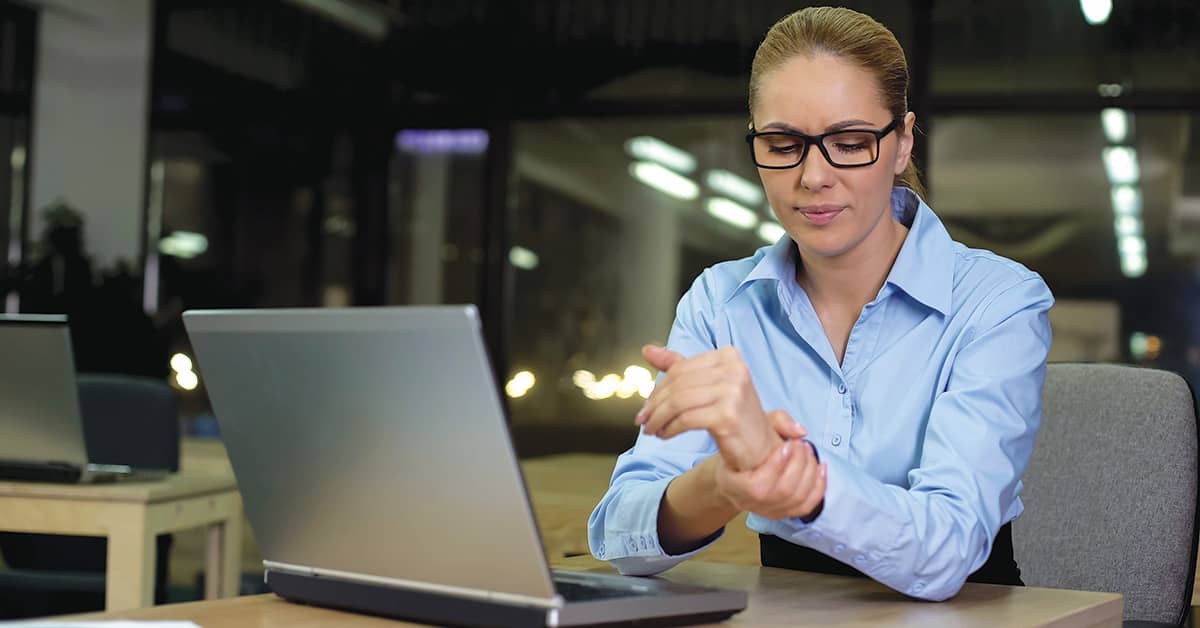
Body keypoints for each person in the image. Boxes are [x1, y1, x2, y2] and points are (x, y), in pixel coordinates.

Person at [587, 6, 1054, 602]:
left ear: (903, 141)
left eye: (850, 142)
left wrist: (795, 483)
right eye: (782, 143)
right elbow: (619, 534)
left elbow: (950, 547)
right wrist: (726, 483)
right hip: (789, 614)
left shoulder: (998, 302)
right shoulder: (721, 302)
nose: (813, 176)